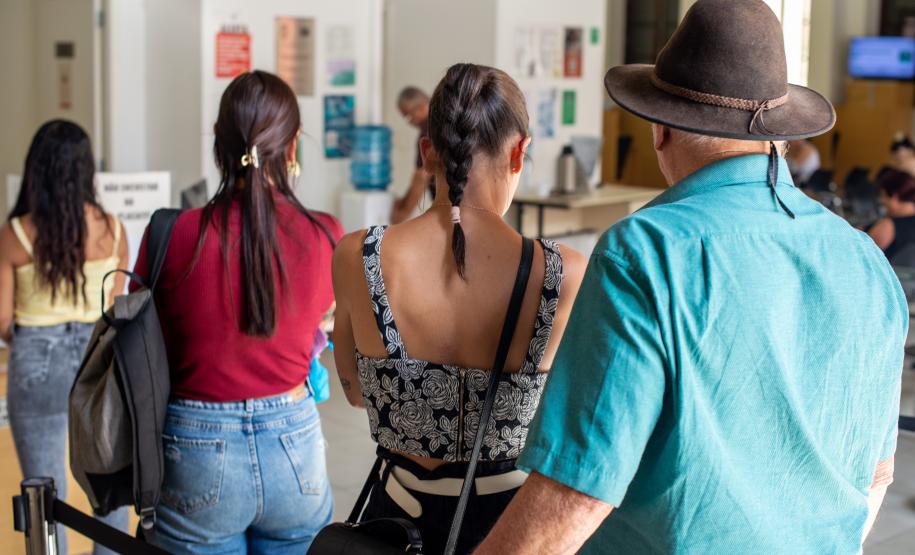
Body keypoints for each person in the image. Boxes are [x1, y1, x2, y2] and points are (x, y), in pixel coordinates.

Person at [478, 1, 905, 553]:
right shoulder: (865, 260)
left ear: (661, 129)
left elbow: (578, 494)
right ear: (782, 137)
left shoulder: (646, 251)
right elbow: (876, 475)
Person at [332, 63, 586, 554]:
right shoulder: (563, 273)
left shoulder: (358, 256)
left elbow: (356, 393)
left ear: (427, 152)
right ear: (519, 153)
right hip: (508, 528)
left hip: (396, 520)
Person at [132, 71, 342, 554]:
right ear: (292, 149)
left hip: (196, 448)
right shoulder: (326, 234)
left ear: (218, 146)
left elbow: (145, 340)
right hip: (295, 441)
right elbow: (326, 326)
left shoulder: (174, 233)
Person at [0, 120, 129, 555]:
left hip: (36, 363)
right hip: (98, 362)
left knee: (44, 495)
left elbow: (2, 320)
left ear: (37, 169)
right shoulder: (112, 229)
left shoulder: (16, 234)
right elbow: (114, 307)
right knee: (109, 488)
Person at [391, 86, 434, 224]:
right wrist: (403, 201)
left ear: (422, 107)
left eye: (408, 116)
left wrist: (401, 216)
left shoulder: (429, 131)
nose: (409, 122)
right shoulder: (438, 124)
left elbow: (422, 176)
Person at [868, 169, 915, 263]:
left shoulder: (888, 226)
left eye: (883, 196)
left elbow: (862, 257)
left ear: (894, 196)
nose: (882, 201)